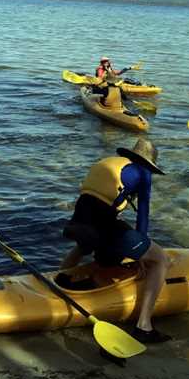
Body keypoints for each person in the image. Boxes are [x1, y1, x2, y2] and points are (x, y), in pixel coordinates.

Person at [59, 137, 172, 344]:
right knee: (161, 259)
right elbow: (143, 215)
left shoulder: (110, 162)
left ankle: (58, 280)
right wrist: (141, 256)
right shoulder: (143, 173)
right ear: (148, 162)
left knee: (89, 246)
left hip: (78, 221)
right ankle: (144, 326)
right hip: (101, 223)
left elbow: (95, 199)